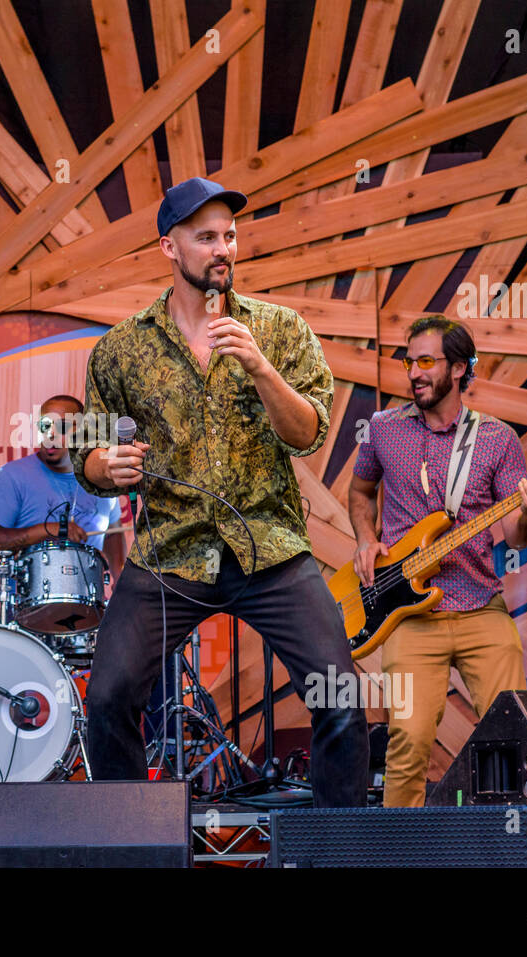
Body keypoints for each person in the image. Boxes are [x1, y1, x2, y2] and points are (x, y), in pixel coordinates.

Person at [72, 177, 369, 805]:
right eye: (205, 237)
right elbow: (87, 454)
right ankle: (134, 846)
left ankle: (333, 852)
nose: (222, 248)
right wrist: (109, 465)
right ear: (170, 248)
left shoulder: (279, 329)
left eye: (229, 236)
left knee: (340, 698)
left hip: (269, 548)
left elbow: (309, 434)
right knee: (108, 697)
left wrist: (261, 368)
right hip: (169, 552)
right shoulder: (121, 349)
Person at [347, 315, 527, 807]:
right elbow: (360, 489)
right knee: (409, 743)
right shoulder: (381, 430)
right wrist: (364, 538)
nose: (414, 372)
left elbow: (516, 538)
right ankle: (399, 859)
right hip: (412, 617)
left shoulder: (498, 439)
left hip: (482, 607)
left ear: (459, 367)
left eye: (426, 361)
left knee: (513, 736)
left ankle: (507, 845)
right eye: (409, 361)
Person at [0, 393, 126, 579]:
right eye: (44, 426)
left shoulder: (100, 476)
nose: (50, 434)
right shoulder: (12, 475)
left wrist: (119, 573)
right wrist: (49, 529)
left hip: (91, 603)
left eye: (62, 427)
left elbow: (113, 532)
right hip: (30, 604)